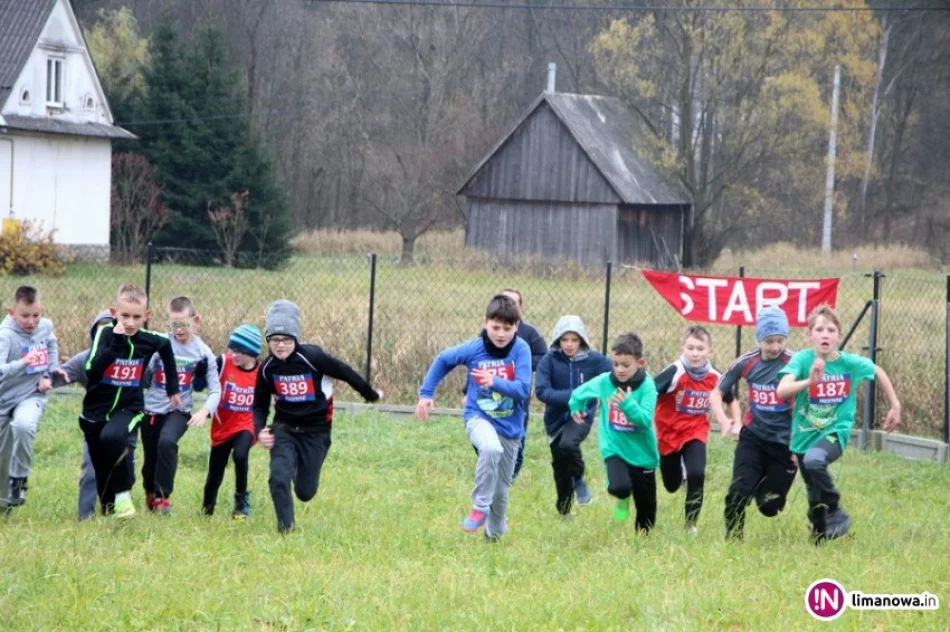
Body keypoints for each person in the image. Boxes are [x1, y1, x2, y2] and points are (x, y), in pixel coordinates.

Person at [254, 300, 382, 534]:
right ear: (268, 341)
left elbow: (345, 372)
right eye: (274, 340)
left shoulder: (312, 357)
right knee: (278, 478)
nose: (280, 346)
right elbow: (259, 405)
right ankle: (286, 531)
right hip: (284, 428)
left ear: (295, 339)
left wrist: (369, 394)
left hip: (316, 432)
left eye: (286, 340)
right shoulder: (266, 369)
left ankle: (296, 467)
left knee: (305, 492)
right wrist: (259, 429)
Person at [777, 304, 901, 543]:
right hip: (803, 437)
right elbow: (782, 390)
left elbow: (878, 371)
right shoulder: (803, 360)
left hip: (835, 433)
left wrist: (895, 405)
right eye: (820, 329)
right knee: (814, 495)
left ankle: (835, 508)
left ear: (839, 336)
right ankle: (820, 533)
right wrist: (809, 382)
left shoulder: (849, 364)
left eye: (831, 330)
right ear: (809, 334)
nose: (825, 334)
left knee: (815, 460)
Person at [416, 294, 531, 541]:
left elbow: (523, 390)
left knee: (501, 492)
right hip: (478, 417)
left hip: (510, 427)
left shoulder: (521, 349)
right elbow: (443, 359)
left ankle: (495, 536)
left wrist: (495, 382)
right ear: (485, 323)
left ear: (516, 327)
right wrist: (426, 393)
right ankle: (479, 507)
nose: (501, 334)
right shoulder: (474, 348)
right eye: (495, 327)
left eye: (507, 328)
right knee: (490, 448)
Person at [81, 284, 181, 519]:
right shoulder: (105, 335)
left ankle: (124, 493)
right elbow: (91, 371)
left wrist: (172, 388)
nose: (130, 322)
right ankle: (109, 508)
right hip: (97, 410)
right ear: (114, 312)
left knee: (113, 437)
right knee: (101, 463)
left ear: (146, 316)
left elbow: (167, 346)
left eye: (137, 317)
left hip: (130, 407)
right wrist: (115, 346)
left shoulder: (150, 340)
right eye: (125, 315)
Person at [711, 307, 798, 540]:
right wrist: (724, 419)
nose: (775, 347)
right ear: (759, 338)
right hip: (753, 438)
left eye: (780, 340)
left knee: (770, 506)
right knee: (738, 491)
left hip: (785, 444)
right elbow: (716, 393)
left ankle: (764, 484)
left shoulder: (796, 362)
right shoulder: (746, 362)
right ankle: (733, 540)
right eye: (769, 341)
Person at [568, 332, 659, 532]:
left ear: (640, 362)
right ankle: (623, 499)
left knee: (647, 515)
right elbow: (578, 394)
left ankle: (643, 546)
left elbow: (644, 420)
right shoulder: (605, 382)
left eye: (626, 365)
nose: (619, 370)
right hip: (614, 446)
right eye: (615, 364)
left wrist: (627, 404)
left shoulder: (647, 386)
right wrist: (576, 407)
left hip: (643, 453)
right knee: (619, 487)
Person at [654, 326, 737, 537]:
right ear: (683, 349)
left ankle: (691, 525)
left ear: (710, 351)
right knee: (671, 486)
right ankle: (678, 475)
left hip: (695, 432)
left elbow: (730, 399)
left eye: (700, 348)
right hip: (668, 434)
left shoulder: (716, 376)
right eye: (690, 348)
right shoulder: (674, 373)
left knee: (697, 473)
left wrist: (734, 422)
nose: (695, 353)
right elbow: (649, 391)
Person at [140, 297, 220, 514]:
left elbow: (215, 389)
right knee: (150, 462)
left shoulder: (203, 353)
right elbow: (144, 379)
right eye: (173, 325)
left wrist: (205, 411)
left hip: (179, 411)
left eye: (183, 324)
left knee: (167, 442)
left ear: (195, 320)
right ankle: (150, 489)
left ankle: (163, 497)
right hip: (152, 410)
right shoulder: (160, 345)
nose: (179, 330)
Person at [535, 315, 612, 516]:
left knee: (568, 444)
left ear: (582, 341)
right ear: (558, 340)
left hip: (581, 417)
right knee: (560, 468)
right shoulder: (548, 361)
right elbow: (542, 392)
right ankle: (564, 511)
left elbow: (616, 374)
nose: (569, 345)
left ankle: (579, 481)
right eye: (565, 340)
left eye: (574, 340)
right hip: (555, 420)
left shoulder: (594, 361)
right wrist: (574, 397)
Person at [51, 310, 123, 521]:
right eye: (100, 331)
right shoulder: (84, 359)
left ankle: (114, 512)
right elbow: (57, 377)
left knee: (121, 469)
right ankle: (85, 516)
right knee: (91, 468)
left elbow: (154, 376)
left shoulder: (129, 357)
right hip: (95, 422)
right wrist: (50, 377)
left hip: (122, 423)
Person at [0, 286, 58, 509]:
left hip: (32, 394)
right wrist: (24, 363)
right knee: (3, 455)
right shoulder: (5, 336)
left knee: (24, 425)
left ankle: (20, 480)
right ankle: (4, 503)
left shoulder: (44, 327)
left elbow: (51, 343)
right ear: (12, 312)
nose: (31, 321)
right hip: (4, 399)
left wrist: (49, 373)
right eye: (25, 316)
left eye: (36, 315)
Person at [202, 324, 262, 519]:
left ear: (252, 353)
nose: (233, 354)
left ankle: (241, 504)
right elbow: (202, 383)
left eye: (239, 351)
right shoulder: (222, 363)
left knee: (240, 454)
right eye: (232, 349)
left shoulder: (261, 373)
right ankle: (207, 510)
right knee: (215, 473)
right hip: (222, 427)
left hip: (247, 424)